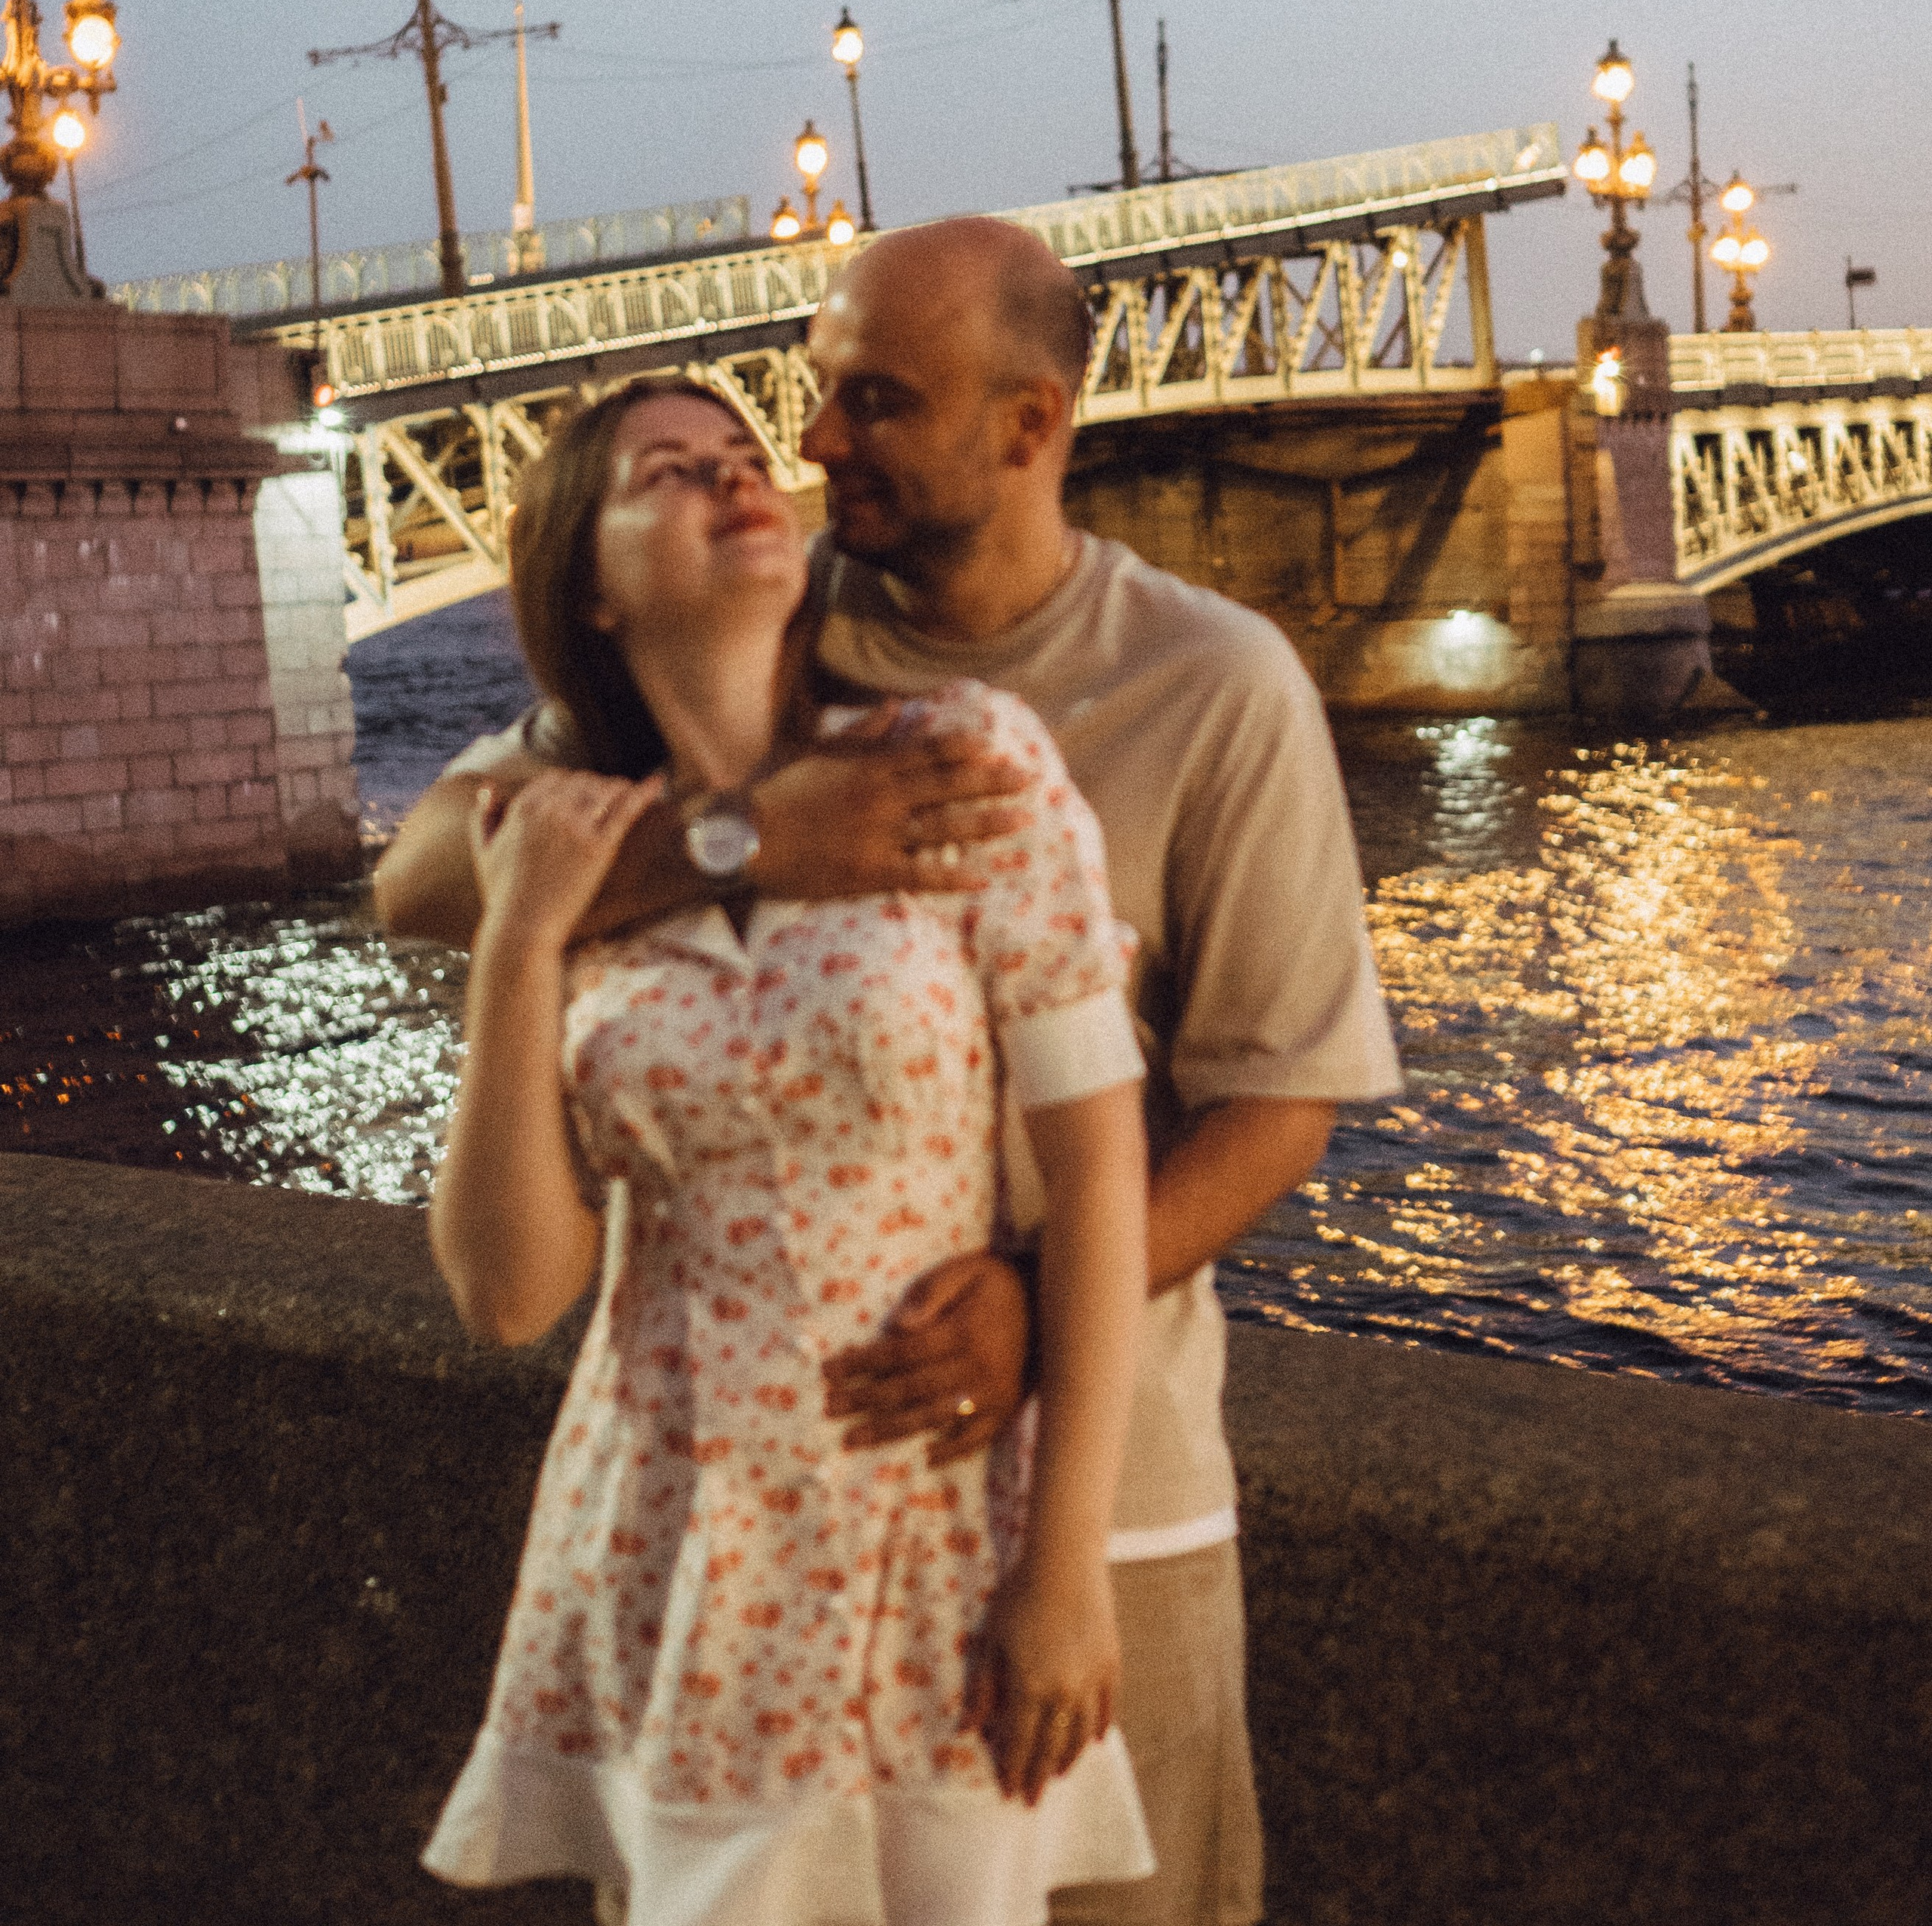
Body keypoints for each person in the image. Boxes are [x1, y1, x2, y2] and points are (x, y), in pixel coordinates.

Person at [380, 220, 1403, 1926]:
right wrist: (743, 838)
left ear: (1027, 427)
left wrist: (1026, 1304)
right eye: (810, 398)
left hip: (1102, 1497)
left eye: (871, 403)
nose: (812, 448)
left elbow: (1274, 1110)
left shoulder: (1207, 682)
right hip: (727, 1563)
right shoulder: (778, 636)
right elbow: (431, 875)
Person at [421, 374, 1157, 1926]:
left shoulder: (962, 760)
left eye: (742, 460)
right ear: (592, 590)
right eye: (669, 476)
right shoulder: (557, 843)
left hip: (933, 1540)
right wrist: (520, 942)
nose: (736, 482)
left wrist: (1066, 1567)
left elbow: (1097, 1177)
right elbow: (510, 1294)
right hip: (671, 1554)